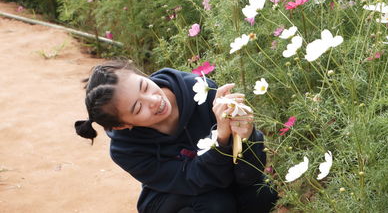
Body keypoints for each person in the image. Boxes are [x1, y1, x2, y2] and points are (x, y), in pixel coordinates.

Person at [75, 60, 277, 213]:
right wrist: (221, 140)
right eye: (138, 108)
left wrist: (246, 136)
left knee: (262, 194)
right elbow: (193, 181)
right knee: (216, 205)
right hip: (174, 197)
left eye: (144, 86)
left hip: (221, 180)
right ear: (122, 125)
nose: (153, 100)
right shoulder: (125, 150)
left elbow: (249, 175)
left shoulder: (201, 91)